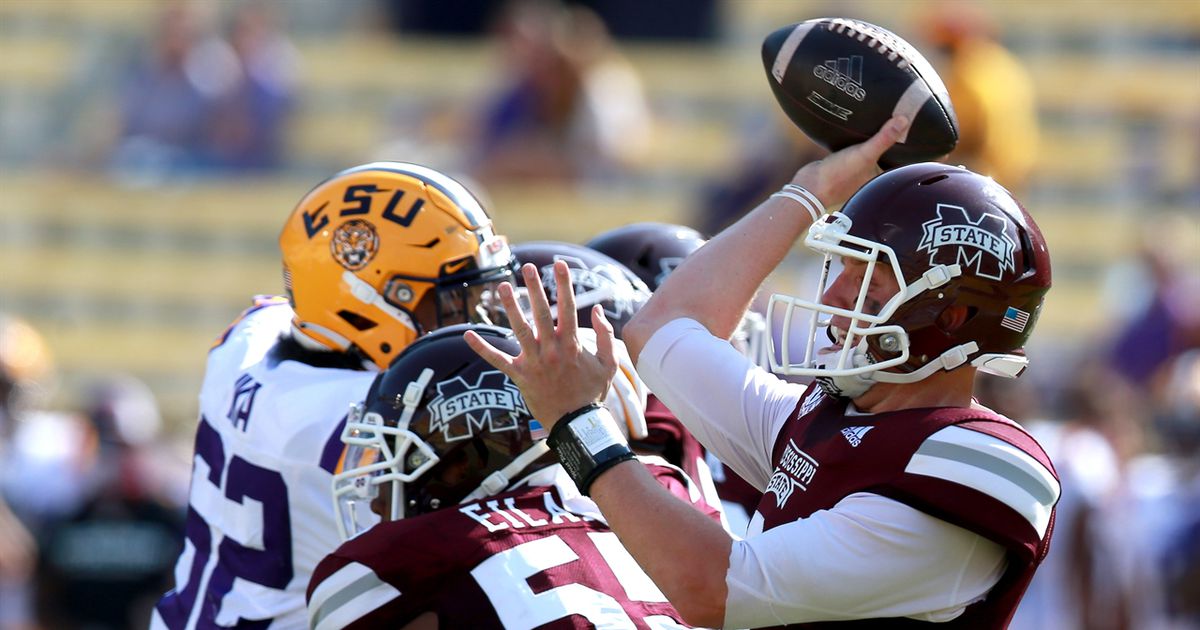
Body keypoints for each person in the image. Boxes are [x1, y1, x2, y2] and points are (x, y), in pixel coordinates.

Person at [467, 116, 1061, 627]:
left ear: (950, 317)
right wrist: (810, 190)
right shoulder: (827, 417)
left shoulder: (970, 463)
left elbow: (709, 588)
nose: (834, 296)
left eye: (868, 282)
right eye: (841, 267)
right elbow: (663, 327)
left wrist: (577, 426)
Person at [151, 162, 517, 629]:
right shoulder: (375, 418)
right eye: (449, 301)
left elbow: (289, 307)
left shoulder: (247, 337)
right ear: (370, 300)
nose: (475, 318)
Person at [307, 324, 721, 628]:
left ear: (462, 461)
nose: (378, 497)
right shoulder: (661, 494)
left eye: (398, 459)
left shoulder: (392, 565)